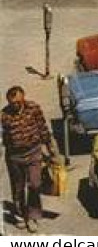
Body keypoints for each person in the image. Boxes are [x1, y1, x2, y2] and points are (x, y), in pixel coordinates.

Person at [1, 86, 57, 232]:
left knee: (35, 184)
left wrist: (51, 149)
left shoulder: (33, 108)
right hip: (14, 157)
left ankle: (33, 216)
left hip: (33, 153)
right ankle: (20, 216)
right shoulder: (3, 115)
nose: (15, 106)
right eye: (12, 103)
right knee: (18, 188)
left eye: (18, 102)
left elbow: (43, 128)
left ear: (23, 97)